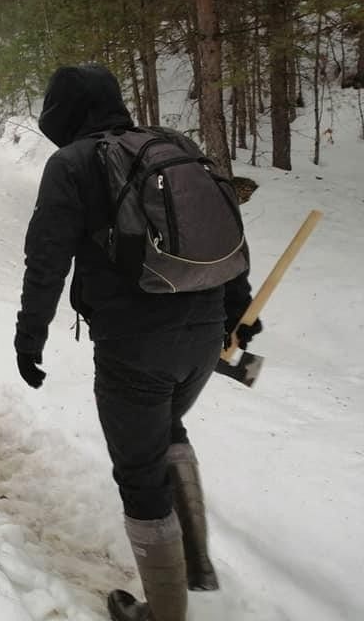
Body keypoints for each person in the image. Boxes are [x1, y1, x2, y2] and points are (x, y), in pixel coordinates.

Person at [14, 64, 262, 621]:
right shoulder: (173, 143)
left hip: (133, 348)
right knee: (167, 429)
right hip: (201, 335)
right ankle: (194, 562)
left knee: (139, 475)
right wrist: (236, 313)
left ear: (64, 113)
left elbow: (46, 259)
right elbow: (224, 230)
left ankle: (166, 613)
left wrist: (30, 337)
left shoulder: (71, 164)